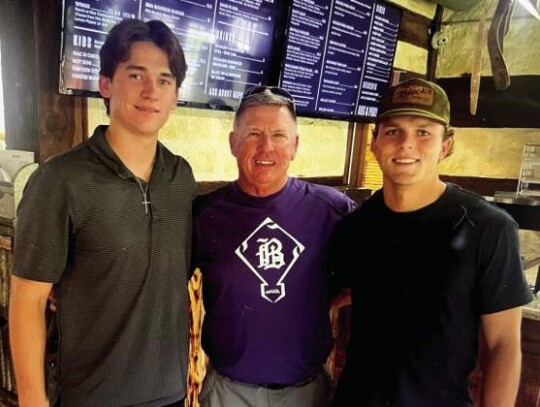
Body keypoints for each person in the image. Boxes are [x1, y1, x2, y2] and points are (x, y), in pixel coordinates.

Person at [9, 19, 197, 407]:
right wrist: (32, 398)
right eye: (135, 75)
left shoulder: (180, 176)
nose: (151, 91)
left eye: (164, 80)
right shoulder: (60, 180)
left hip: (169, 395)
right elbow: (28, 299)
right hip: (91, 397)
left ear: (176, 96)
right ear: (106, 85)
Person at [329, 78, 533, 407]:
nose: (407, 144)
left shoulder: (488, 229)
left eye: (423, 132)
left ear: (445, 146)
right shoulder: (357, 227)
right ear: (375, 143)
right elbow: (341, 293)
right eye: (393, 131)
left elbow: (504, 345)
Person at [193, 85, 356, 407]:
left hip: (307, 390)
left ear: (295, 145)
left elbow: (371, 271)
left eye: (279, 135)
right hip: (228, 391)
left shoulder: (333, 210)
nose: (266, 147)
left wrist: (324, 299)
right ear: (233, 143)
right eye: (253, 133)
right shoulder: (205, 213)